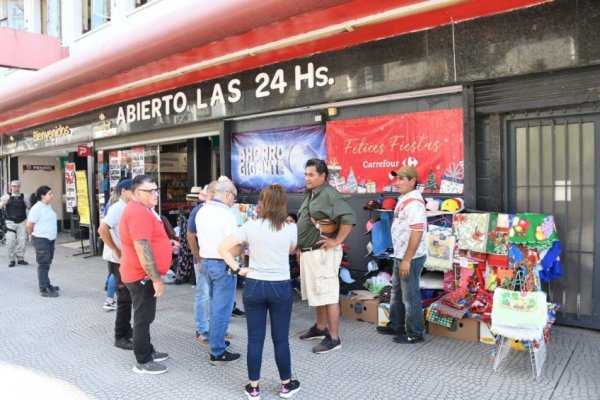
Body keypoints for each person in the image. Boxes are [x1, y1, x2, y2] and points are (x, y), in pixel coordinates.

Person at [218, 184, 300, 399]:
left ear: (262, 203)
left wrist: (237, 269)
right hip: (280, 286)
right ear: (283, 204)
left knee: (255, 339)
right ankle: (285, 385)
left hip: (254, 285)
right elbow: (291, 250)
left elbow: (222, 249)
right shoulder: (291, 227)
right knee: (281, 339)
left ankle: (253, 387)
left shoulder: (250, 226)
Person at [119, 174, 178, 374]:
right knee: (143, 318)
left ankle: (148, 351)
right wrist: (156, 279)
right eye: (149, 191)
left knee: (145, 316)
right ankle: (143, 361)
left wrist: (166, 245)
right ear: (136, 193)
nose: (155, 194)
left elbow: (148, 240)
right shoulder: (138, 212)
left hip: (139, 274)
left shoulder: (143, 210)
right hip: (141, 276)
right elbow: (142, 247)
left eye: (156, 189)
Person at [297, 159, 355, 354]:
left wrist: (336, 241)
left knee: (328, 295)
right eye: (306, 174)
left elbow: (348, 218)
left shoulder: (331, 194)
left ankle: (334, 338)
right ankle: (320, 328)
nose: (307, 178)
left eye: (311, 174)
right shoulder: (312, 193)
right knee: (318, 293)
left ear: (323, 176)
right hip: (310, 253)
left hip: (323, 253)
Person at [376, 166, 427, 344]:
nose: (396, 183)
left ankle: (415, 332)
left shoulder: (414, 204)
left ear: (412, 181)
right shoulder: (405, 199)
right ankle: (396, 325)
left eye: (401, 179)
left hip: (410, 257)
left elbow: (417, 232)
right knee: (397, 292)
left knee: (410, 295)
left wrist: (406, 259)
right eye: (396, 179)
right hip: (401, 255)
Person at [195, 178, 241, 364]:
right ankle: (217, 350)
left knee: (216, 306)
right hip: (223, 264)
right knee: (222, 309)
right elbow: (233, 244)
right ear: (228, 194)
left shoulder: (201, 211)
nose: (234, 202)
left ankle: (217, 340)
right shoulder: (227, 215)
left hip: (207, 262)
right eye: (234, 198)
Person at [97, 179, 134, 350]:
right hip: (117, 259)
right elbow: (102, 229)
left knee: (128, 296)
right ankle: (120, 336)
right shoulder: (117, 208)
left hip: (125, 259)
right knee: (124, 298)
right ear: (124, 191)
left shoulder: (128, 207)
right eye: (133, 189)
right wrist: (116, 250)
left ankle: (127, 329)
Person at [186, 182, 216, 344]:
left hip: (214, 260)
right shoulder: (199, 211)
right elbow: (190, 236)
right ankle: (202, 330)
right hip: (203, 259)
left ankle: (214, 329)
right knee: (203, 293)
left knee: (212, 295)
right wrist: (198, 259)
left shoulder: (219, 210)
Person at [26, 186, 58, 297]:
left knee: (47, 263)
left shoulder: (48, 206)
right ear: (42, 196)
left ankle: (47, 284)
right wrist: (31, 236)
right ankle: (43, 289)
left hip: (50, 239)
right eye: (49, 194)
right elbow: (29, 225)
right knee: (43, 264)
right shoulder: (37, 208)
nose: (52, 195)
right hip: (41, 239)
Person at [2, 180, 29, 267]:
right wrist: (4, 203)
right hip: (10, 222)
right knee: (10, 241)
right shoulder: (6, 196)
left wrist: (27, 205)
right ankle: (12, 259)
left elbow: (30, 208)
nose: (15, 187)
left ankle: (20, 258)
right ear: (11, 187)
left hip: (22, 221)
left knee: (22, 241)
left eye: (17, 186)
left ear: (19, 187)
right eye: (13, 186)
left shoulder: (24, 196)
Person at [102, 188, 120, 310]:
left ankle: (109, 288)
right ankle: (109, 299)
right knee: (116, 272)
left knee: (113, 271)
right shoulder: (118, 207)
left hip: (111, 244)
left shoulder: (110, 203)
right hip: (116, 244)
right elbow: (103, 228)